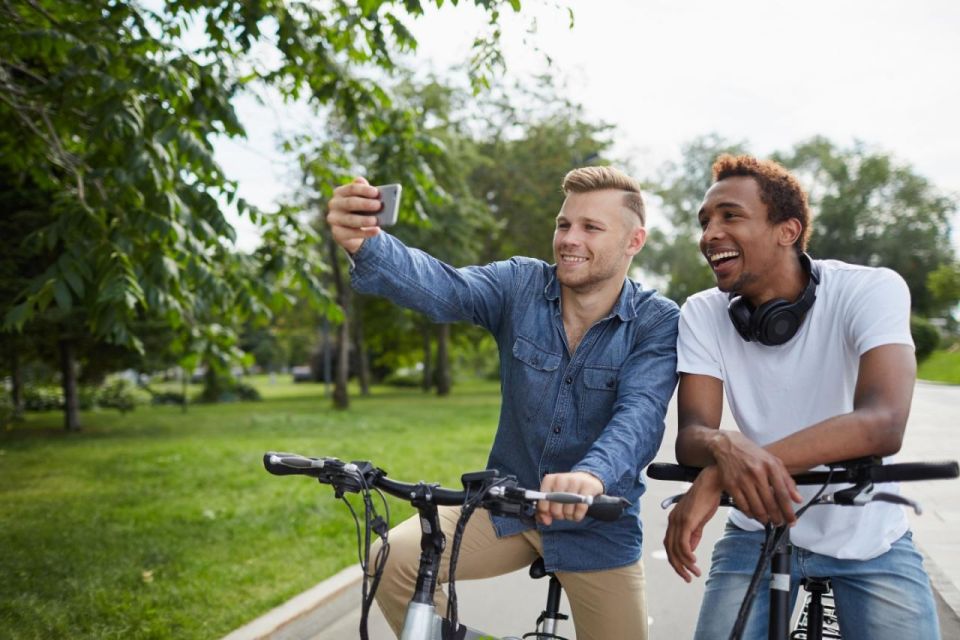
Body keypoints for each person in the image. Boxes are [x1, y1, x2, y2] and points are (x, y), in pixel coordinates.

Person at [326, 166, 679, 639]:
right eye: (564, 224)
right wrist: (365, 243)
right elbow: (444, 287)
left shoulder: (656, 321)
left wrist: (591, 476)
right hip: (503, 508)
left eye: (591, 227)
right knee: (389, 561)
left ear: (634, 241)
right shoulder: (520, 284)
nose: (570, 238)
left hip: (598, 528)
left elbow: (638, 416)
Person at [663, 154, 940, 639]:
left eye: (730, 216)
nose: (709, 234)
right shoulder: (703, 313)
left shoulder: (869, 290)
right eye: (705, 221)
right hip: (756, 533)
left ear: (787, 231)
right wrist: (724, 449)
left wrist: (715, 478)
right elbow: (692, 435)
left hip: (867, 538)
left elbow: (883, 422)